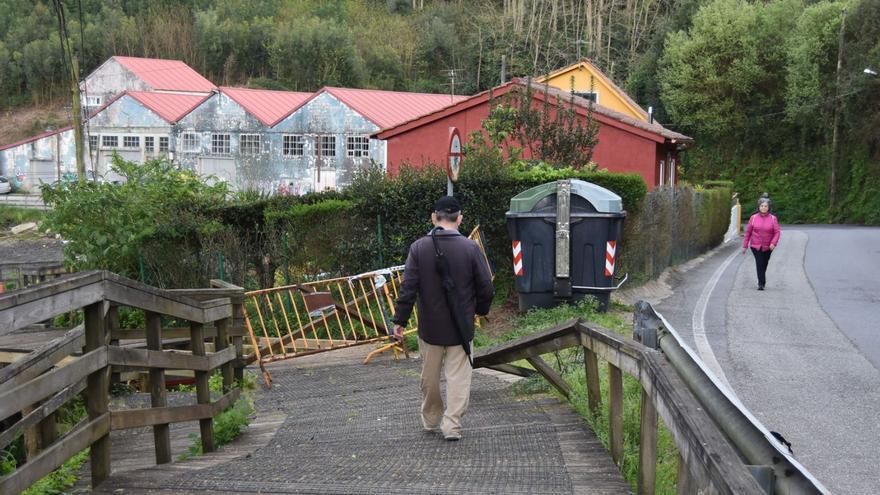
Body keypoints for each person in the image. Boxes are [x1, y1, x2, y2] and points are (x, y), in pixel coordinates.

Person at [392, 196, 494, 441]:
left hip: (430, 327)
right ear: (460, 219)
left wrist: (400, 320)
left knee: (429, 377)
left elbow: (408, 288)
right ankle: (452, 425)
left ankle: (430, 418)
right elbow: (486, 288)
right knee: (459, 377)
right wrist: (479, 310)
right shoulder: (471, 249)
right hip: (461, 327)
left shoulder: (418, 248)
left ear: (433, 217)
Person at [742, 196, 781, 290]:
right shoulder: (753, 218)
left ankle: (761, 280)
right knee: (759, 263)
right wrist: (745, 246)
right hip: (755, 246)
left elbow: (777, 232)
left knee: (764, 263)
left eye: (765, 206)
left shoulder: (773, 219)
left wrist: (773, 243)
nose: (763, 208)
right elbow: (748, 232)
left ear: (769, 208)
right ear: (759, 207)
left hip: (768, 246)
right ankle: (761, 283)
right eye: (762, 206)